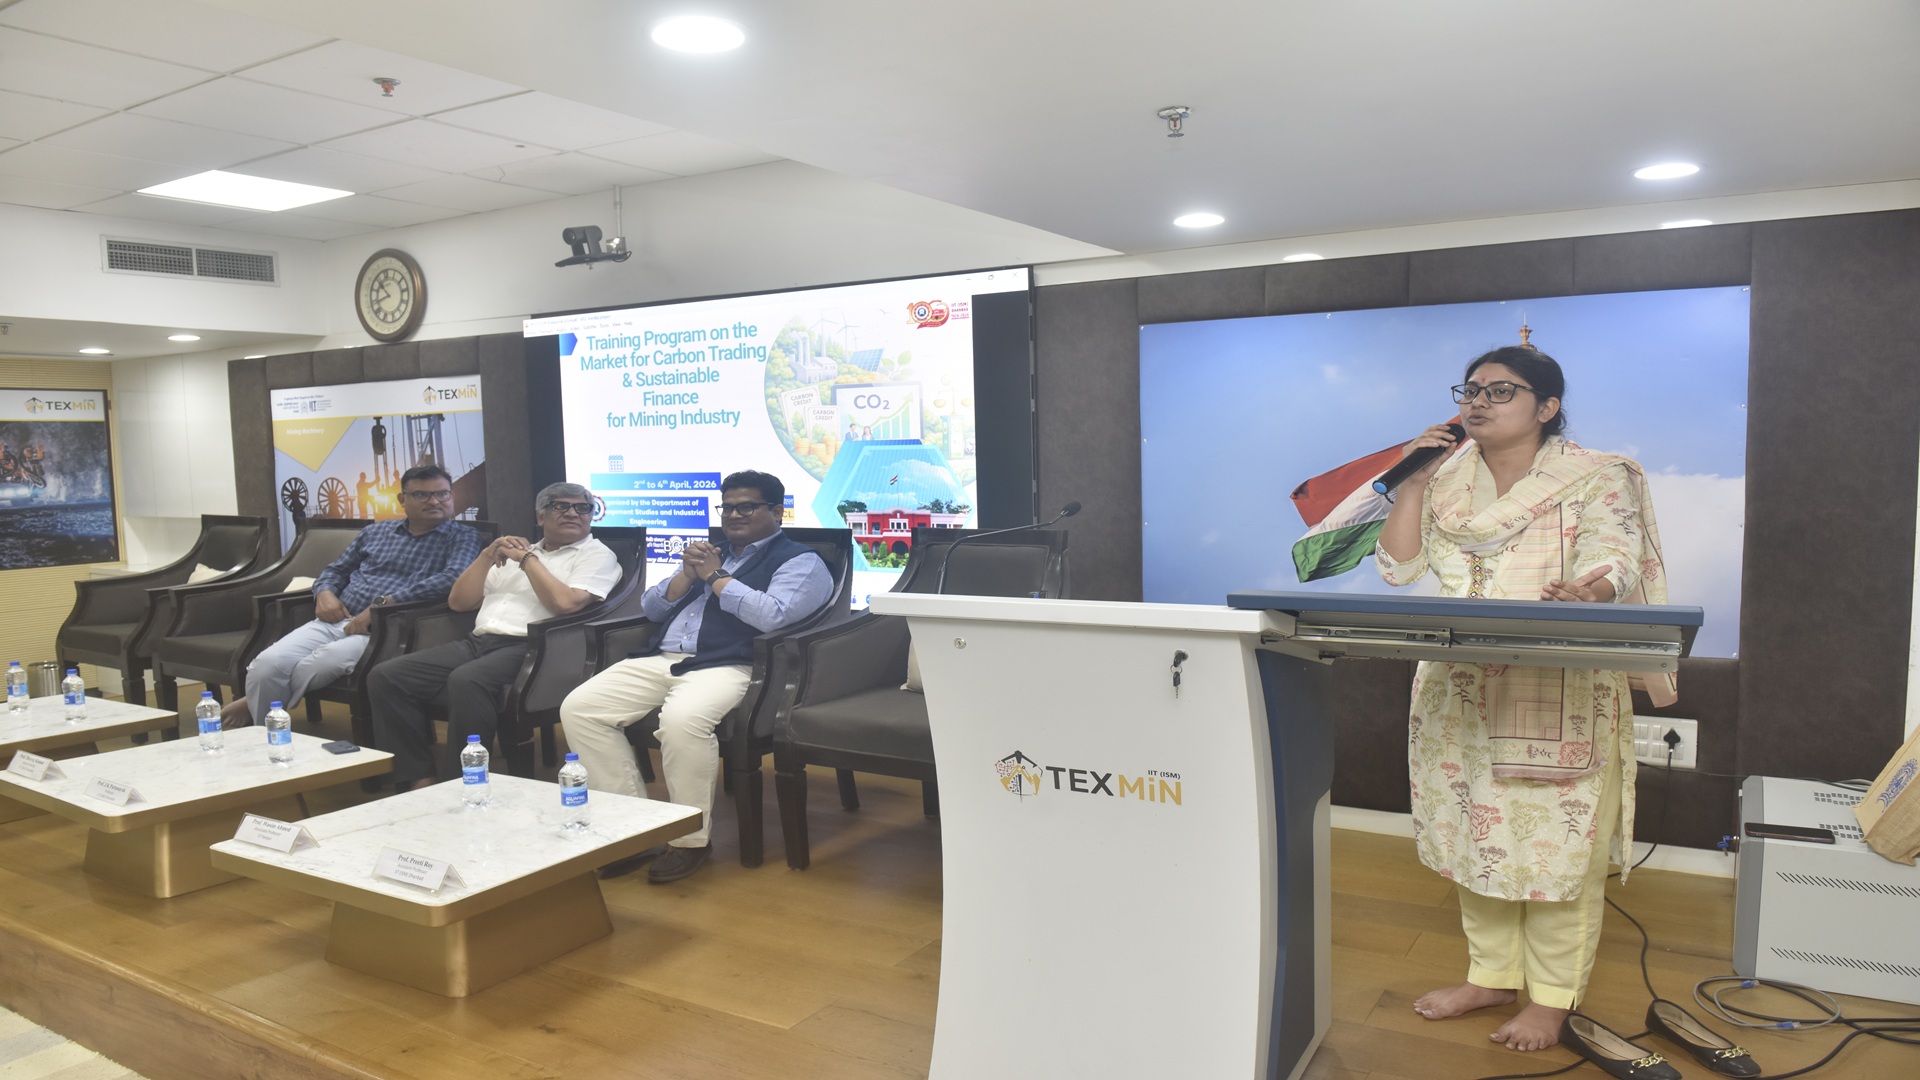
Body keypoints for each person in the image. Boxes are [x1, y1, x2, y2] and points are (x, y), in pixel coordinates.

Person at [1375, 346, 1674, 1053]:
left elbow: (1615, 555)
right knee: (1472, 837)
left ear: (1547, 406)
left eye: (1500, 391)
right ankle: (1491, 976)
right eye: (1470, 390)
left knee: (1556, 853)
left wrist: (1590, 591)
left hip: (1559, 681)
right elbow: (1399, 569)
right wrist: (1411, 485)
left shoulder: (1596, 474)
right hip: (1459, 687)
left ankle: (1550, 998)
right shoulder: (1445, 477)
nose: (1478, 401)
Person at [560, 470, 833, 883]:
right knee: (580, 708)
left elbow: (773, 616)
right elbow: (652, 609)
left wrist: (716, 577)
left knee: (681, 721)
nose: (734, 515)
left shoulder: (801, 561)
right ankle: (631, 832)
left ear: (777, 512)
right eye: (728, 507)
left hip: (731, 663)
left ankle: (689, 839)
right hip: (663, 657)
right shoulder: (708, 553)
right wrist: (686, 575)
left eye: (747, 507)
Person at [368, 482, 621, 790]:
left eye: (582, 508)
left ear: (591, 516)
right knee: (387, 676)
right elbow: (459, 603)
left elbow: (565, 603)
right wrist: (488, 555)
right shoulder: (517, 550)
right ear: (540, 516)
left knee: (467, 679)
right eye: (560, 506)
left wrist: (528, 561)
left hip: (535, 649)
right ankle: (418, 775)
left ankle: (463, 784)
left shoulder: (596, 555)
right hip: (478, 642)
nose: (572, 513)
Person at [224, 464, 481, 726]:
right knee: (266, 664)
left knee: (320, 664)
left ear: (452, 496)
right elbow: (336, 570)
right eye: (421, 495)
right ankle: (263, 735)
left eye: (442, 494)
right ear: (402, 499)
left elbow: (451, 579)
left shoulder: (463, 537)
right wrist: (324, 592)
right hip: (336, 618)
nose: (434, 501)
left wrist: (381, 606)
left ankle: (253, 705)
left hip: (386, 629)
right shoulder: (375, 532)